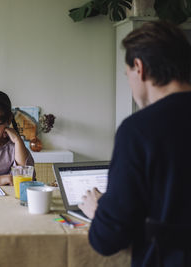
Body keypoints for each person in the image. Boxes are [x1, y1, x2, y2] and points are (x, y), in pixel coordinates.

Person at [79, 20, 191, 266]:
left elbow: (107, 240)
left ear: (138, 68)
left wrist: (99, 210)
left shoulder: (139, 130)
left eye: (127, 74)